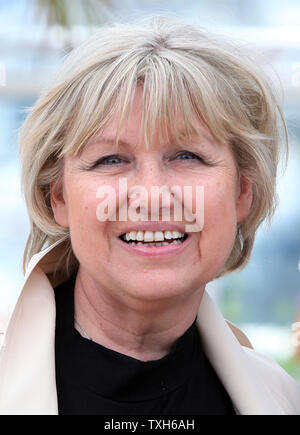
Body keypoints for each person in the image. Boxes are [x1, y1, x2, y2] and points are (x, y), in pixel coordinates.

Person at [0, 16, 299, 415]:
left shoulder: (284, 398)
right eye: (111, 159)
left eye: (187, 156)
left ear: (243, 190)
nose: (152, 195)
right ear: (59, 197)